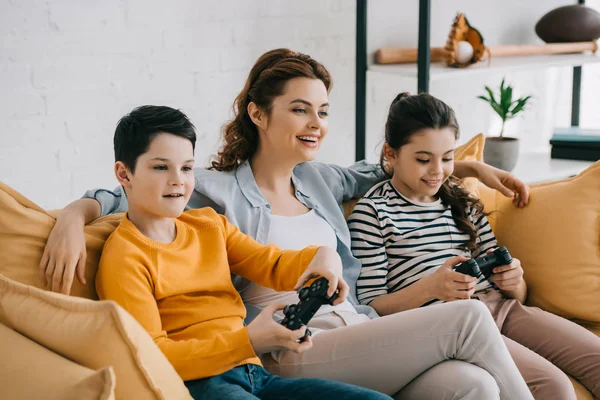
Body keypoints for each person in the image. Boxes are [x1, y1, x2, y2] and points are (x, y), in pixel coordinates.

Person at [41, 49, 533, 399]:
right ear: (257, 113)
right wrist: (73, 215)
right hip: (288, 343)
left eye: (321, 110)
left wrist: (467, 167)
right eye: (300, 109)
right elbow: (127, 191)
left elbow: (392, 165)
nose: (316, 122)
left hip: (358, 330)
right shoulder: (212, 189)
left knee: (474, 387)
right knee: (467, 318)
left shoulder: (321, 180)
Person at [96, 105, 391, 400]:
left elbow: (272, 264)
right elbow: (153, 356)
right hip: (199, 383)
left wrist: (324, 258)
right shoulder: (124, 257)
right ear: (124, 174)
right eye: (161, 167)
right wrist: (248, 340)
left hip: (255, 375)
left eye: (186, 167)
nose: (178, 180)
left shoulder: (209, 225)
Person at [348, 92, 600, 399]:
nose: (437, 171)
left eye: (447, 157)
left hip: (502, 308)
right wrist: (431, 289)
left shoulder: (459, 199)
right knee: (553, 386)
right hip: (451, 327)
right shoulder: (372, 212)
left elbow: (514, 293)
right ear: (391, 153)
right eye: (423, 159)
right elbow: (371, 307)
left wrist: (514, 281)